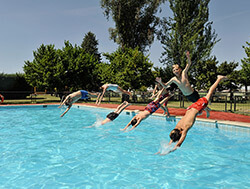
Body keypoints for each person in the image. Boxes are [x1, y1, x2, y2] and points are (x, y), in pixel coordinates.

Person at [157, 75, 227, 155]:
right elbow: (173, 138)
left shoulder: (185, 129)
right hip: (190, 108)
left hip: (197, 107)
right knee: (200, 109)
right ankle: (206, 110)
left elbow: (178, 144)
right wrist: (162, 151)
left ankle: (219, 78)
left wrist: (169, 151)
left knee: (209, 93)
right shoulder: (177, 127)